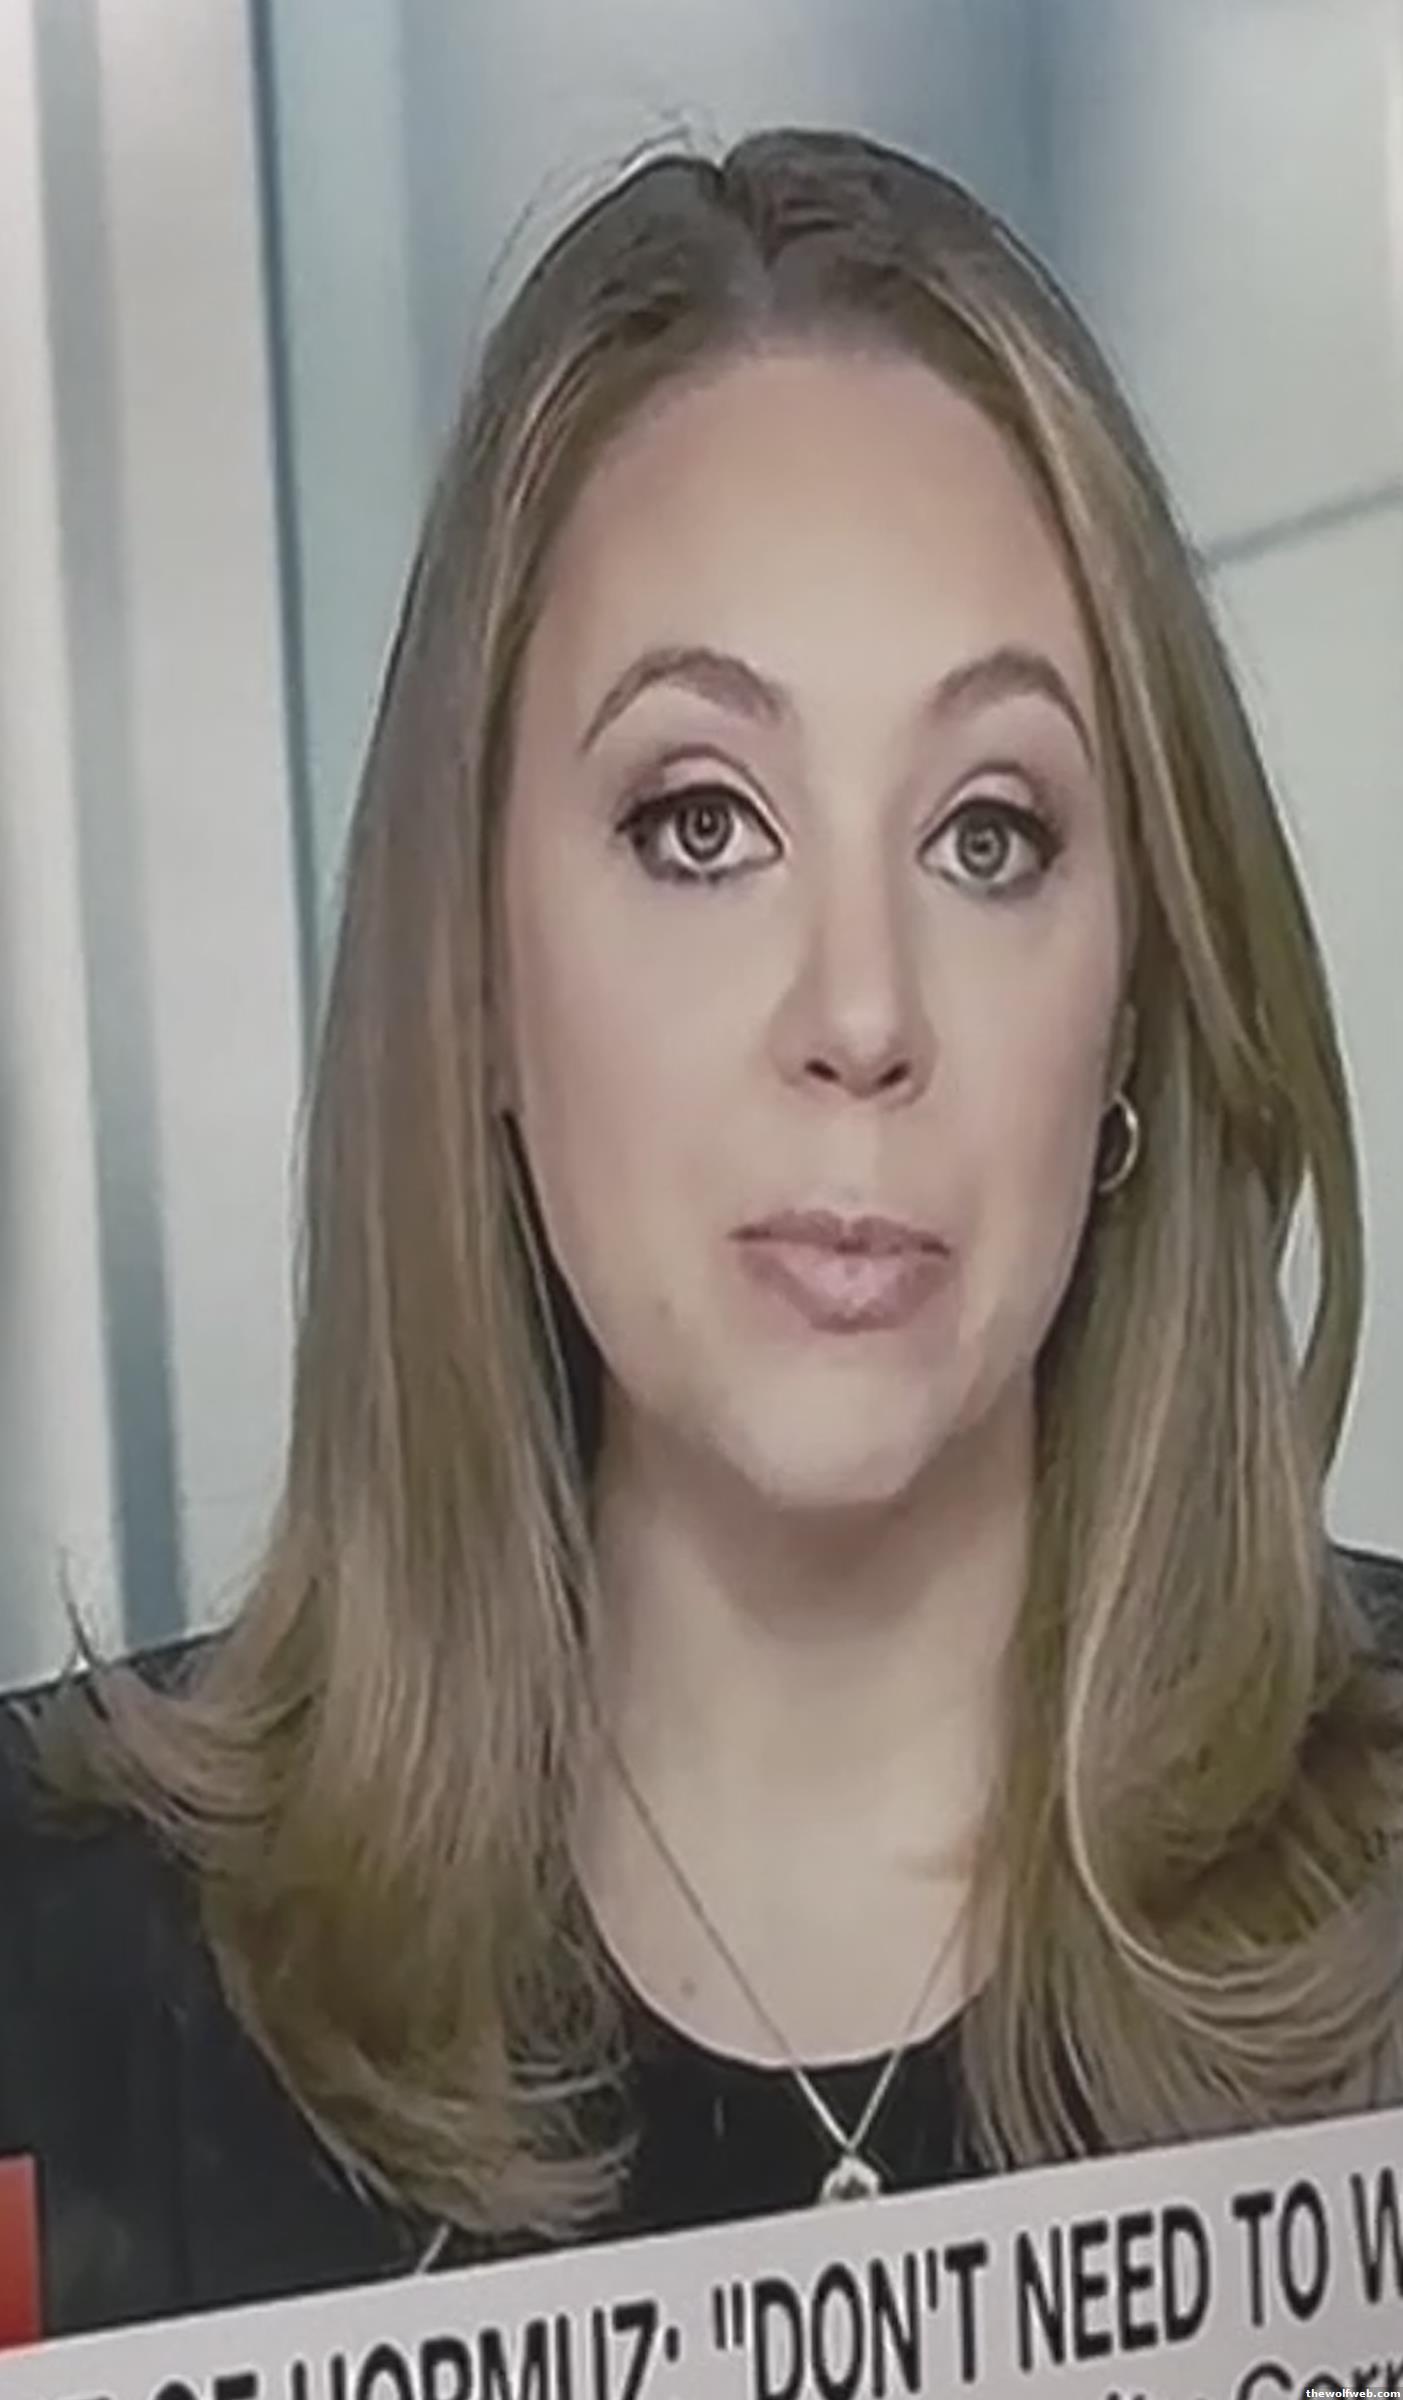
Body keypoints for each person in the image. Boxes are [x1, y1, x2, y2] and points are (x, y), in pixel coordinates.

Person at [1, 124, 1401, 2340]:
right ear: (478, 981)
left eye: (989, 835)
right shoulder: (53, 1991)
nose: (860, 1014)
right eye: (700, 822)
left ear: (1135, 997)